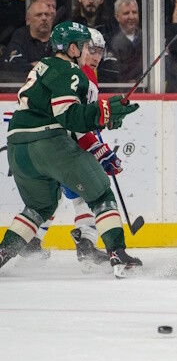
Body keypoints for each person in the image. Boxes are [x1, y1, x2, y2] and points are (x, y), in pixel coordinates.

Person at [0, 22, 142, 278]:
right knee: (100, 193)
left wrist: (100, 135)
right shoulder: (71, 72)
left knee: (38, 208)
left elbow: (74, 124)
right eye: (86, 46)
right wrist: (105, 112)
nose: (90, 52)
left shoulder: (43, 66)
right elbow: (68, 118)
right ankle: (117, 254)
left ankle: (2, 253)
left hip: (18, 148)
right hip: (48, 142)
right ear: (73, 48)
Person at [17, 27, 118, 267]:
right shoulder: (81, 74)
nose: (95, 56)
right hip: (64, 142)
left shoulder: (62, 68)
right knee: (88, 192)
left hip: (47, 142)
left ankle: (34, 239)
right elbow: (79, 119)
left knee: (55, 192)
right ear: (79, 49)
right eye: (90, 50)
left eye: (100, 51)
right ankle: (86, 242)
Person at [3, 1, 55, 81]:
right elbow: (13, 65)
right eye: (39, 15)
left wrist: (35, 65)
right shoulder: (20, 36)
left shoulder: (59, 37)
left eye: (47, 15)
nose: (44, 18)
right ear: (28, 19)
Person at [109, 0, 143, 83]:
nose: (131, 17)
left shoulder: (146, 38)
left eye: (134, 12)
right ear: (117, 17)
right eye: (126, 13)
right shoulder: (110, 40)